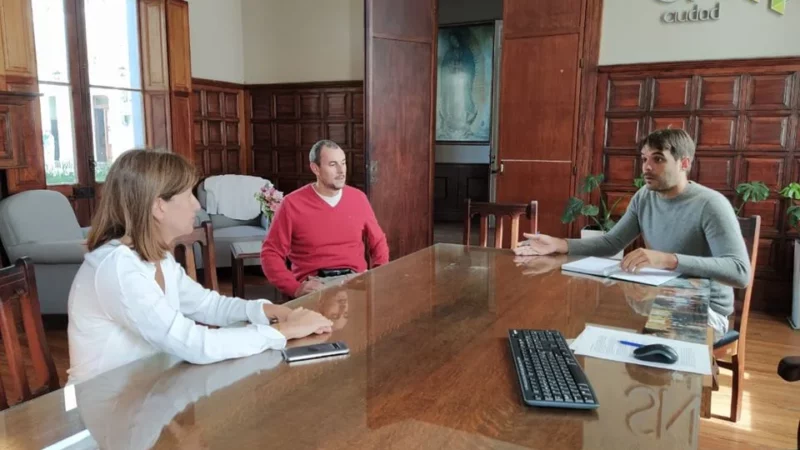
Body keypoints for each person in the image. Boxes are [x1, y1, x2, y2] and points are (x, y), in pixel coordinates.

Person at [67, 149, 333, 385]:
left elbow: (208, 305)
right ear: (159, 206)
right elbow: (193, 343)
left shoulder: (158, 257)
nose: (197, 205)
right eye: (188, 195)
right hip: (103, 408)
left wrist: (268, 312)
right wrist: (283, 331)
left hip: (148, 391)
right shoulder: (118, 269)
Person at [514, 129, 751, 340]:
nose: (647, 167)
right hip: (657, 297)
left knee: (649, 353)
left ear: (684, 163)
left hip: (706, 309)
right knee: (588, 324)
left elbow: (740, 272)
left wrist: (668, 259)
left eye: (658, 159)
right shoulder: (645, 196)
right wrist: (558, 244)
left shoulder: (711, 204)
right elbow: (612, 242)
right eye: (644, 159)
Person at [261, 139, 389, 298]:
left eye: (343, 163)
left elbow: (378, 242)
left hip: (355, 282)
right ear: (315, 168)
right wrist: (294, 288)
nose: (341, 171)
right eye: (333, 164)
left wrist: (377, 276)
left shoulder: (358, 198)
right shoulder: (291, 204)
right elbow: (270, 253)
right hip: (316, 287)